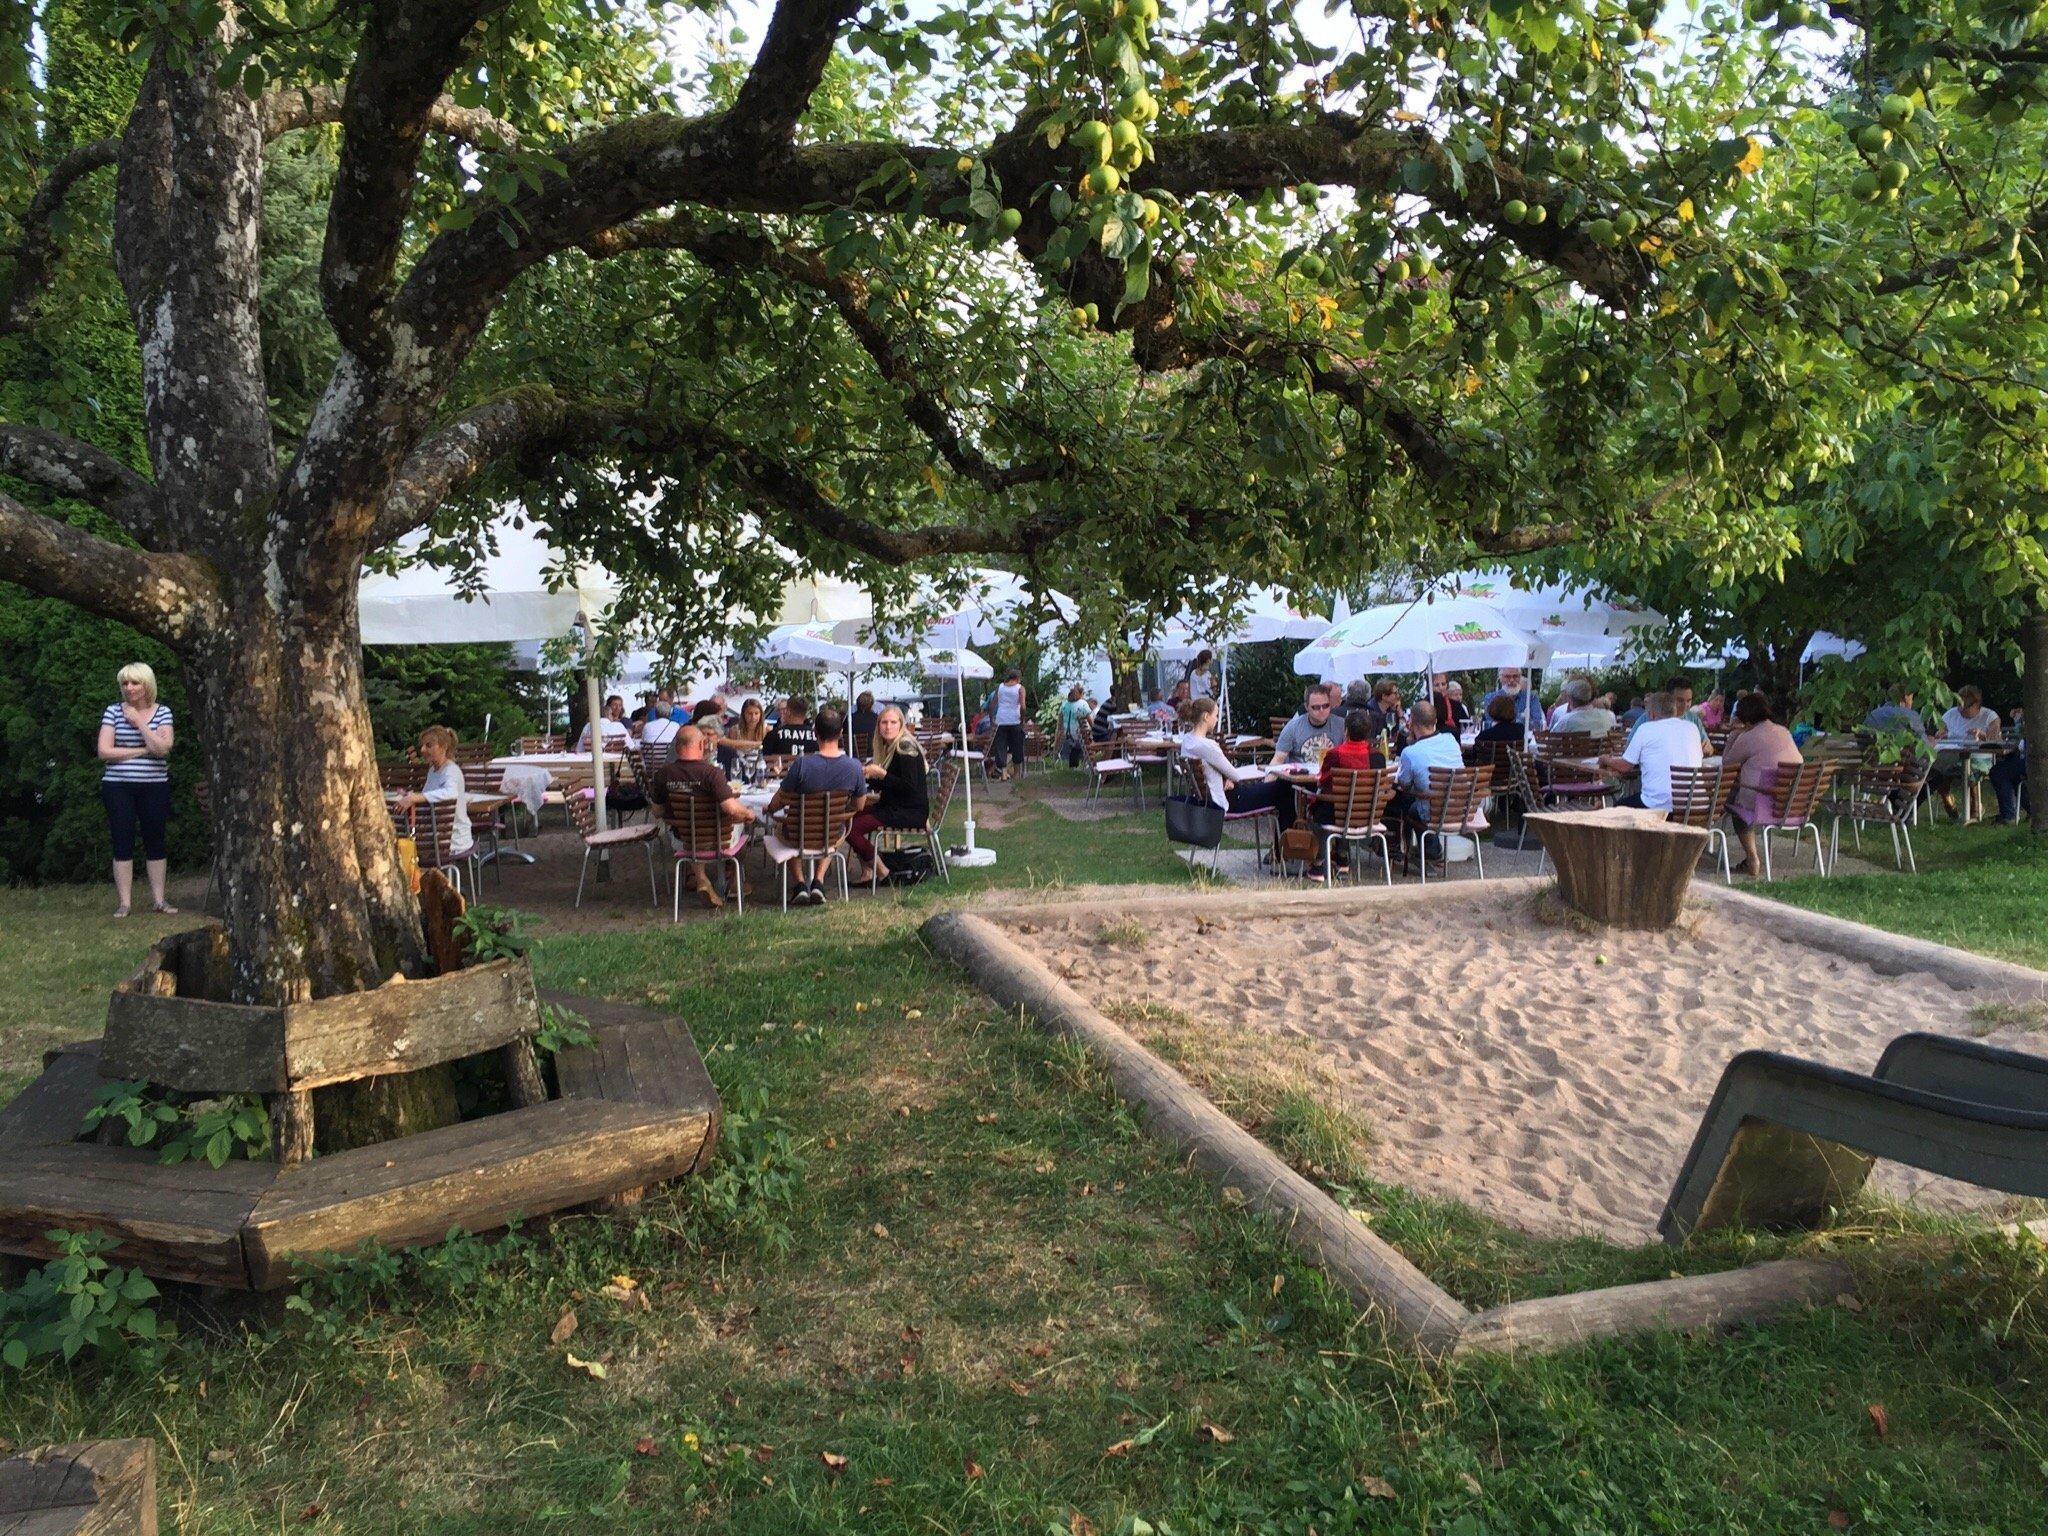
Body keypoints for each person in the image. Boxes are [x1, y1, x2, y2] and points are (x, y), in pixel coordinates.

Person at [98, 661, 177, 917]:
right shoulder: (112, 712)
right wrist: (144, 750)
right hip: (118, 787)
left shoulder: (163, 712)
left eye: (134, 682)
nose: (129, 688)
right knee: (122, 840)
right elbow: (105, 751)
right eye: (125, 683)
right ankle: (125, 903)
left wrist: (139, 724)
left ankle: (159, 900)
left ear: (147, 685)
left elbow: (164, 749)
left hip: (155, 786)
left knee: (155, 840)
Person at [649, 724, 758, 908]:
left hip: (683, 838)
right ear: (701, 745)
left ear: (677, 747)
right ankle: (733, 882)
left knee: (692, 832)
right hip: (719, 840)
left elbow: (657, 812)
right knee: (744, 829)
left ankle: (701, 879)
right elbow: (731, 808)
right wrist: (748, 814)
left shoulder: (663, 774)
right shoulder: (711, 773)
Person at [768, 706, 868, 905]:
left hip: (798, 834)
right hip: (830, 833)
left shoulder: (802, 765)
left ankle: (799, 884)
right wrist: (839, 812)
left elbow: (779, 800)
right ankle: (819, 881)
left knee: (782, 826)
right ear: (840, 733)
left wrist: (769, 810)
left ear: (815, 734)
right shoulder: (854, 767)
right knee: (832, 828)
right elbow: (860, 805)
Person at [1175, 697, 1293, 824]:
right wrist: (1228, 778)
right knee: (1285, 787)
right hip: (1229, 801)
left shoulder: (1187, 740)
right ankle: (1285, 841)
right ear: (1206, 717)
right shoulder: (1207, 746)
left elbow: (1219, 772)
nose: (1216, 719)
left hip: (1212, 798)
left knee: (1277, 788)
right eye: (1215, 715)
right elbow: (1236, 776)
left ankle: (1284, 841)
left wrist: (1226, 778)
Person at [1720, 693, 1801, 877]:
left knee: (1733, 806)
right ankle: (1751, 858)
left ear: (1744, 718)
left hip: (1762, 804)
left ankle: (1752, 858)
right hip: (1793, 803)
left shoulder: (1747, 737)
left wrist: (1733, 736)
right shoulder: (1784, 731)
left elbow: (1727, 764)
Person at [848, 706, 931, 884]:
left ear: (901, 725)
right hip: (893, 806)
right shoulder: (889, 746)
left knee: (851, 828)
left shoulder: (904, 746)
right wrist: (865, 776)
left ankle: (883, 872)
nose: (888, 726)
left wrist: (881, 774)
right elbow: (888, 784)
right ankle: (867, 873)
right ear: (878, 726)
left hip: (908, 812)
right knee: (848, 819)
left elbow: (909, 787)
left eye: (893, 722)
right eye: (884, 722)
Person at [1602, 691, 1701, 811]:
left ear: (1652, 714)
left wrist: (1605, 759)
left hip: (1660, 807)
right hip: (1695, 805)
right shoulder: (1692, 728)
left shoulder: (1645, 729)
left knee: (1618, 808)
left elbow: (1625, 766)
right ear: (1674, 711)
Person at [1386, 701, 1465, 848]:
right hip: (1460, 807)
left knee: (1405, 802)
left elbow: (1404, 784)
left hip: (1432, 812)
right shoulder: (1451, 739)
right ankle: (1427, 849)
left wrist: (1410, 745)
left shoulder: (1410, 752)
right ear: (1435, 721)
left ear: (1411, 722)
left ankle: (1424, 850)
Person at [396, 724, 473, 862]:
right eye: (423, 745)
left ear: (443, 747)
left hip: (453, 841)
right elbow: (428, 797)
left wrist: (417, 797)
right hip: (435, 837)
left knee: (400, 848)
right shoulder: (433, 771)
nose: (423, 749)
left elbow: (451, 793)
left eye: (429, 745)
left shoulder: (451, 771)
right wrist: (410, 796)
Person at [1273, 685, 1345, 763]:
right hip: (1300, 773)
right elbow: (1278, 758)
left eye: (1326, 706)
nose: (1322, 710)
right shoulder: (1294, 727)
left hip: (1329, 773)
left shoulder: (1342, 725)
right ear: (1306, 707)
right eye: (1316, 707)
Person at [1479, 667, 1544, 736]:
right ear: (1500, 679)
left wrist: (1503, 724)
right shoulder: (1490, 698)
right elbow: (1489, 723)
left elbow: (1537, 723)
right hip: (1498, 741)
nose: (1512, 680)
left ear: (1520, 678)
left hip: (1524, 742)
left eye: (1515, 676)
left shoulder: (1531, 698)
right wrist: (1521, 719)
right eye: (1507, 677)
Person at [1991, 707, 2029, 823]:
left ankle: (2009, 815)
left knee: (1999, 772)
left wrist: (2018, 720)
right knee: (2009, 772)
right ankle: (2031, 810)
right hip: (2025, 759)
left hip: (2032, 761)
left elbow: (2022, 738)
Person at [989, 668, 1028, 780]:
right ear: (1018, 678)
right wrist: (1022, 719)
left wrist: (992, 719)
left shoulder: (1000, 687)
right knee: (1017, 746)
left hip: (1001, 720)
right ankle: (1016, 774)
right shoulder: (1020, 688)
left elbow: (992, 705)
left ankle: (1004, 773)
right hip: (1015, 721)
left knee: (1001, 746)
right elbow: (1023, 706)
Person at [1552, 676, 1617, 738]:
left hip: (1576, 749)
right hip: (1602, 749)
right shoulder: (1607, 716)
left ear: (1570, 698)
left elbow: (1551, 741)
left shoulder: (1566, 721)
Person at [1863, 684, 1927, 737]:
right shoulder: (1909, 716)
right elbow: (1924, 743)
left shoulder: (1874, 713)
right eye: (1910, 699)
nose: (1912, 702)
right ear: (1905, 699)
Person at [1058, 686, 1092, 766]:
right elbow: (1090, 721)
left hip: (1067, 734)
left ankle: (1073, 764)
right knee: (1087, 737)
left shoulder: (1064, 704)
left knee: (1076, 742)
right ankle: (1085, 762)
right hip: (1079, 734)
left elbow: (1060, 723)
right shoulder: (1083, 703)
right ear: (1081, 694)